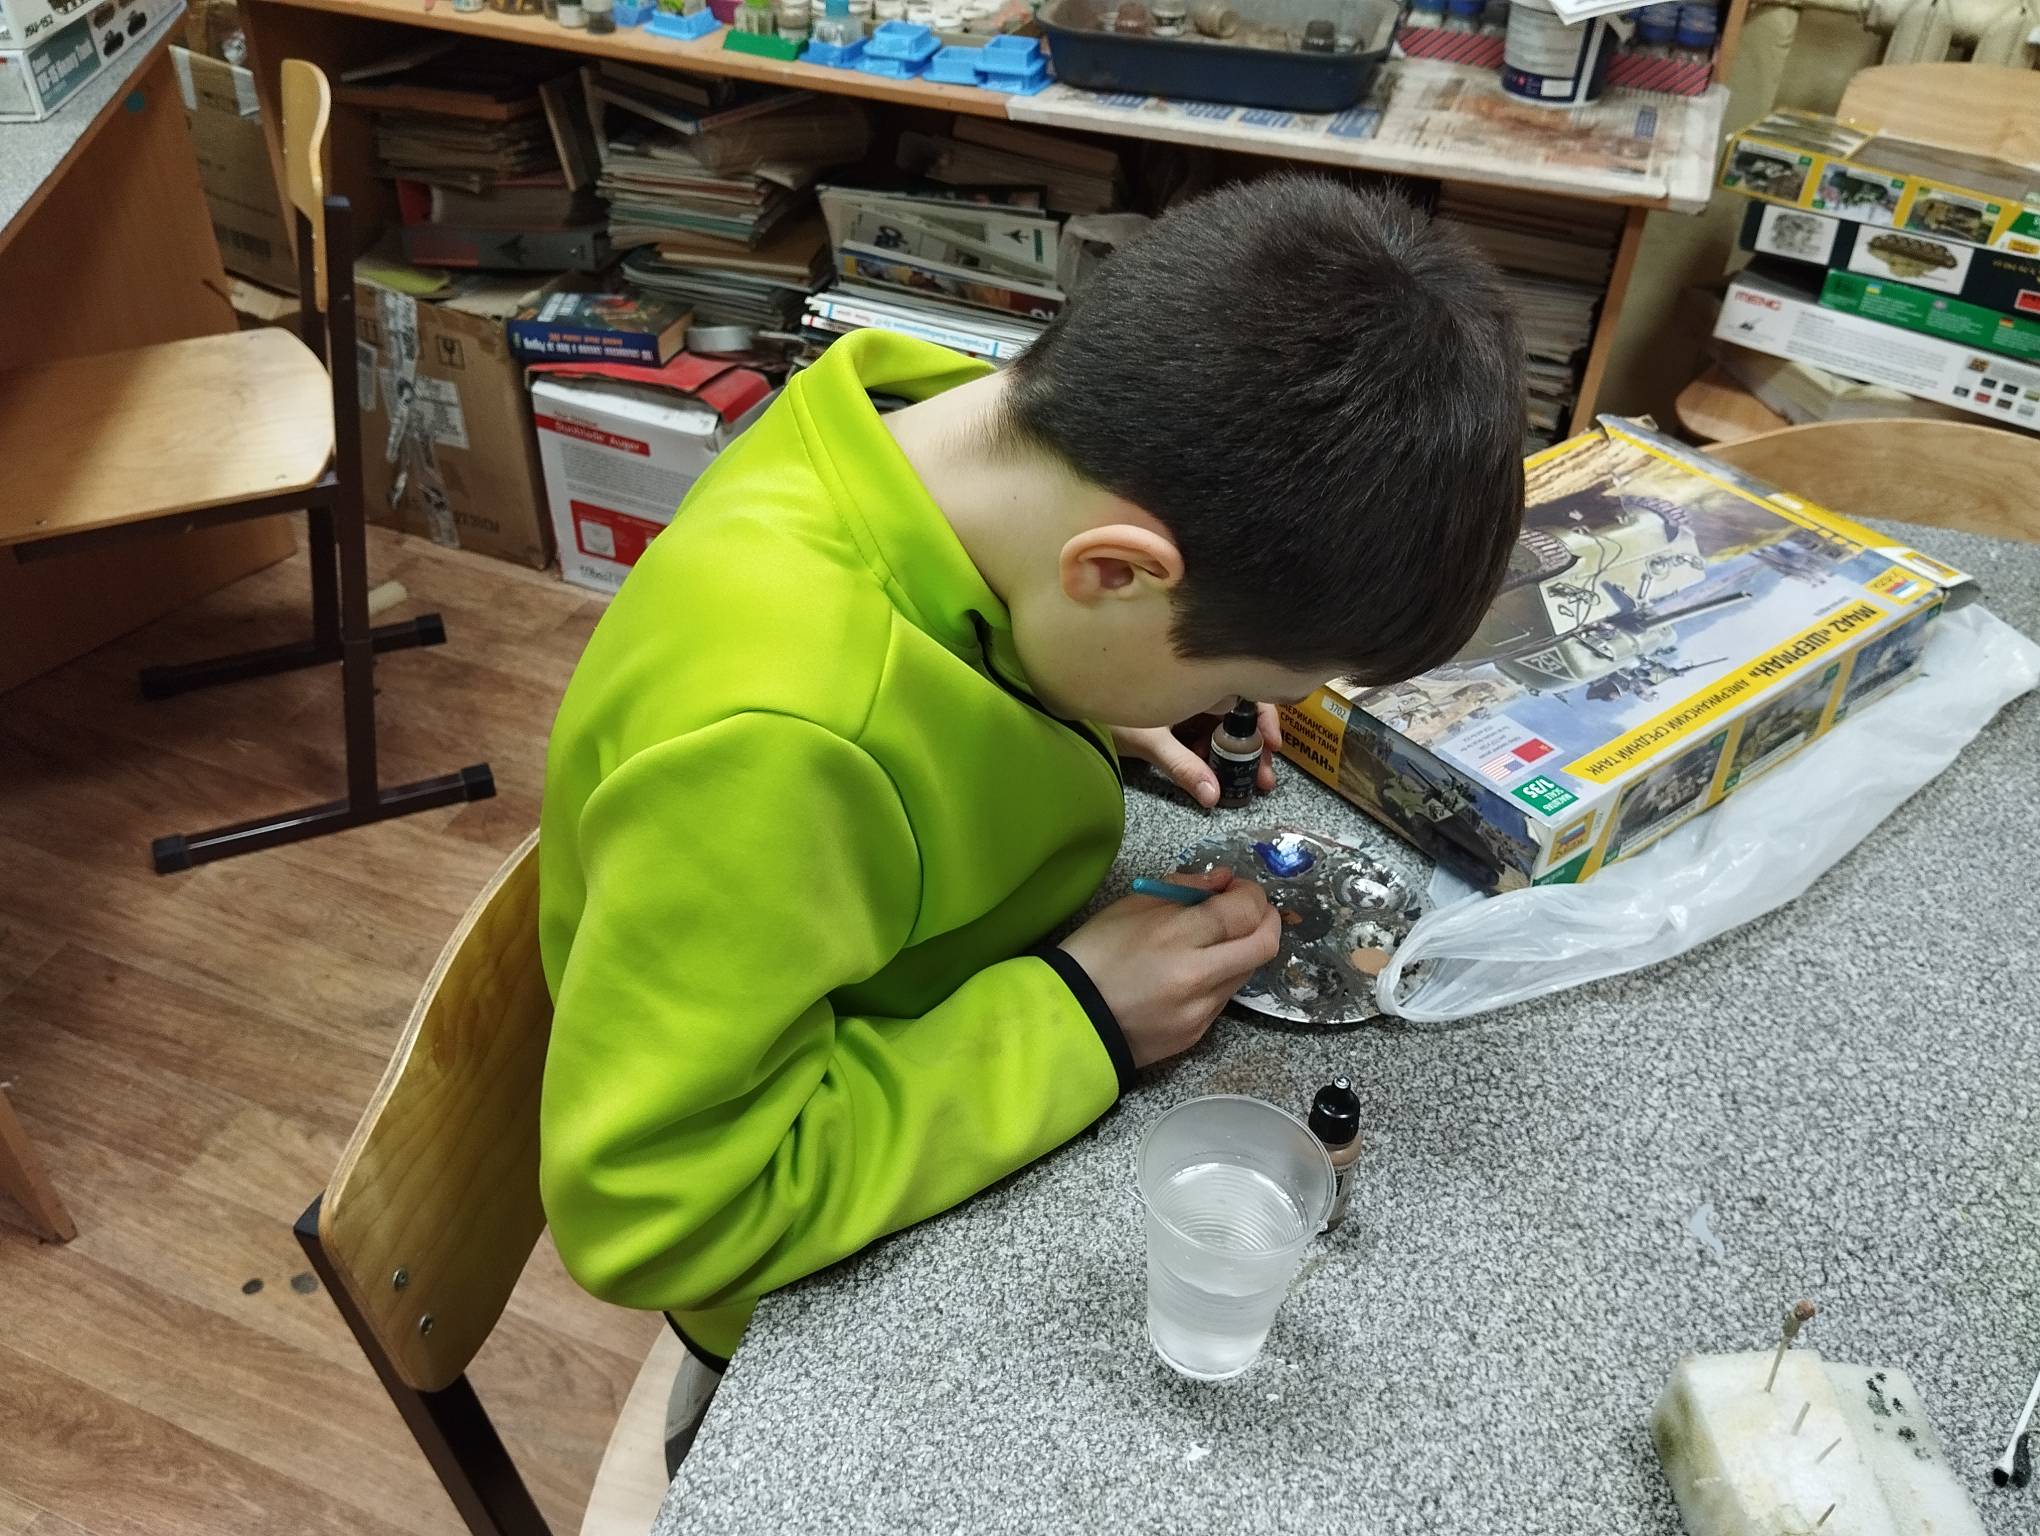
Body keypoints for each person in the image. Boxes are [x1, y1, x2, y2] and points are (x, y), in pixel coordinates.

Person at [536, 174, 1526, 1379]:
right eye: (1235, 678)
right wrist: (1081, 1015)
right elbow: (657, 1217)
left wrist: (1083, 691)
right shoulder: (774, 739)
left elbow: (927, 665)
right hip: (813, 1312)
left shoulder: (938, 426)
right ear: (1113, 574)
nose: (1229, 710)